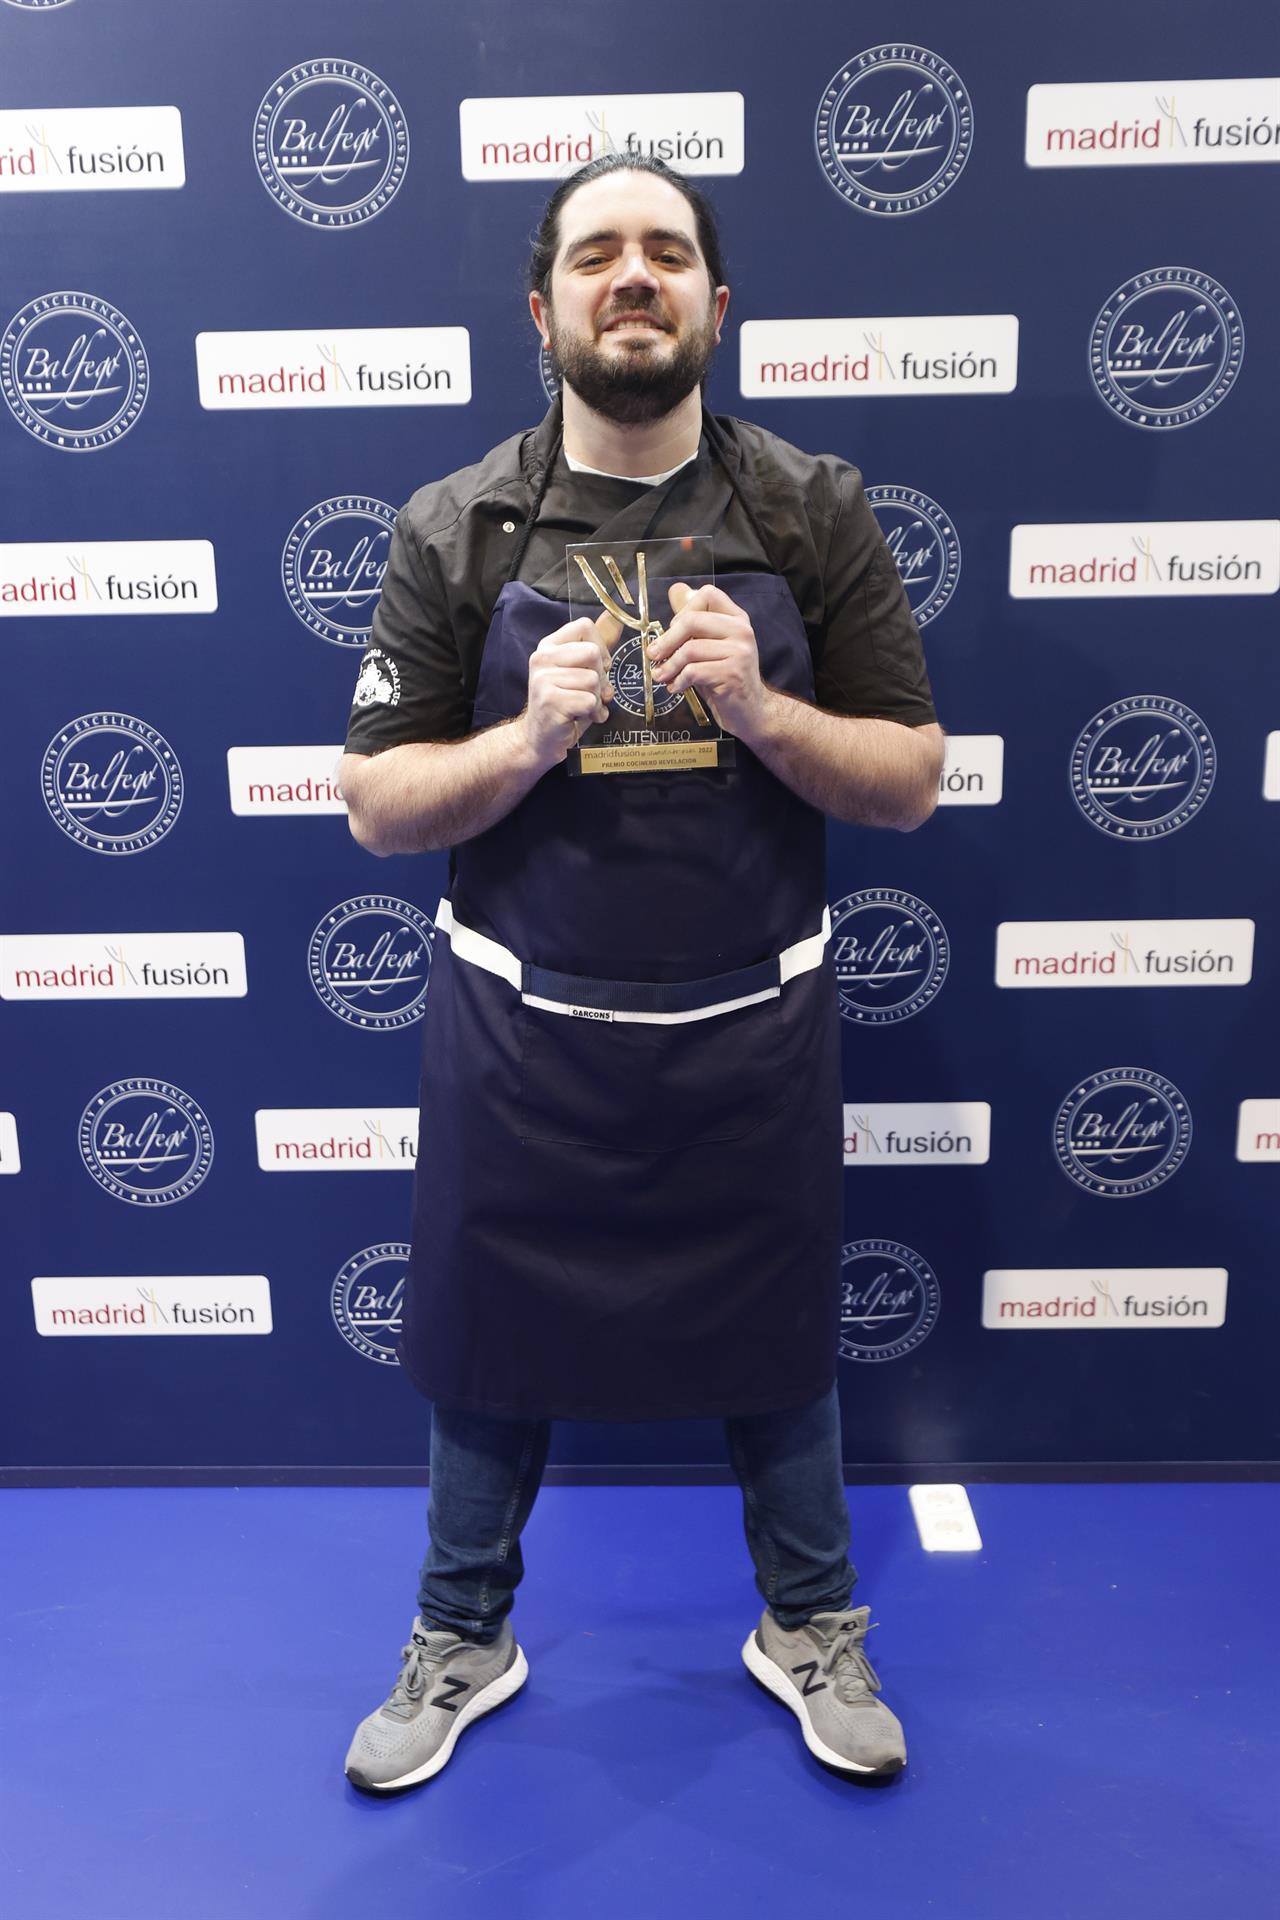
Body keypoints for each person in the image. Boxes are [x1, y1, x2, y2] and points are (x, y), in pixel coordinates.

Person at [338, 154, 944, 1793]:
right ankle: (463, 1631)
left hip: (749, 1035)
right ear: (541, 311)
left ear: (715, 307)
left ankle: (807, 1621)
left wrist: (761, 710)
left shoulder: (813, 510)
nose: (634, 276)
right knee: (488, 1347)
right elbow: (381, 804)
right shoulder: (456, 525)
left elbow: (907, 775)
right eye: (597, 253)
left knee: (778, 1343)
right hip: (525, 1041)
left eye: (666, 253)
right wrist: (528, 738)